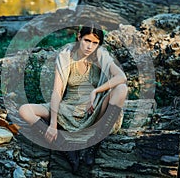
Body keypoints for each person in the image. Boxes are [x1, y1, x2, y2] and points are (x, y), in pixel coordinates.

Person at [19, 21, 128, 173]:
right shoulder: (66, 57)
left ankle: (93, 145)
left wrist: (95, 92)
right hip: (68, 109)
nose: (90, 46)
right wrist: (52, 124)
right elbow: (57, 91)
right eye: (87, 40)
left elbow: (121, 77)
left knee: (121, 89)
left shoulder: (101, 57)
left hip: (93, 110)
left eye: (95, 43)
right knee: (25, 110)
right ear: (79, 37)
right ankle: (65, 147)